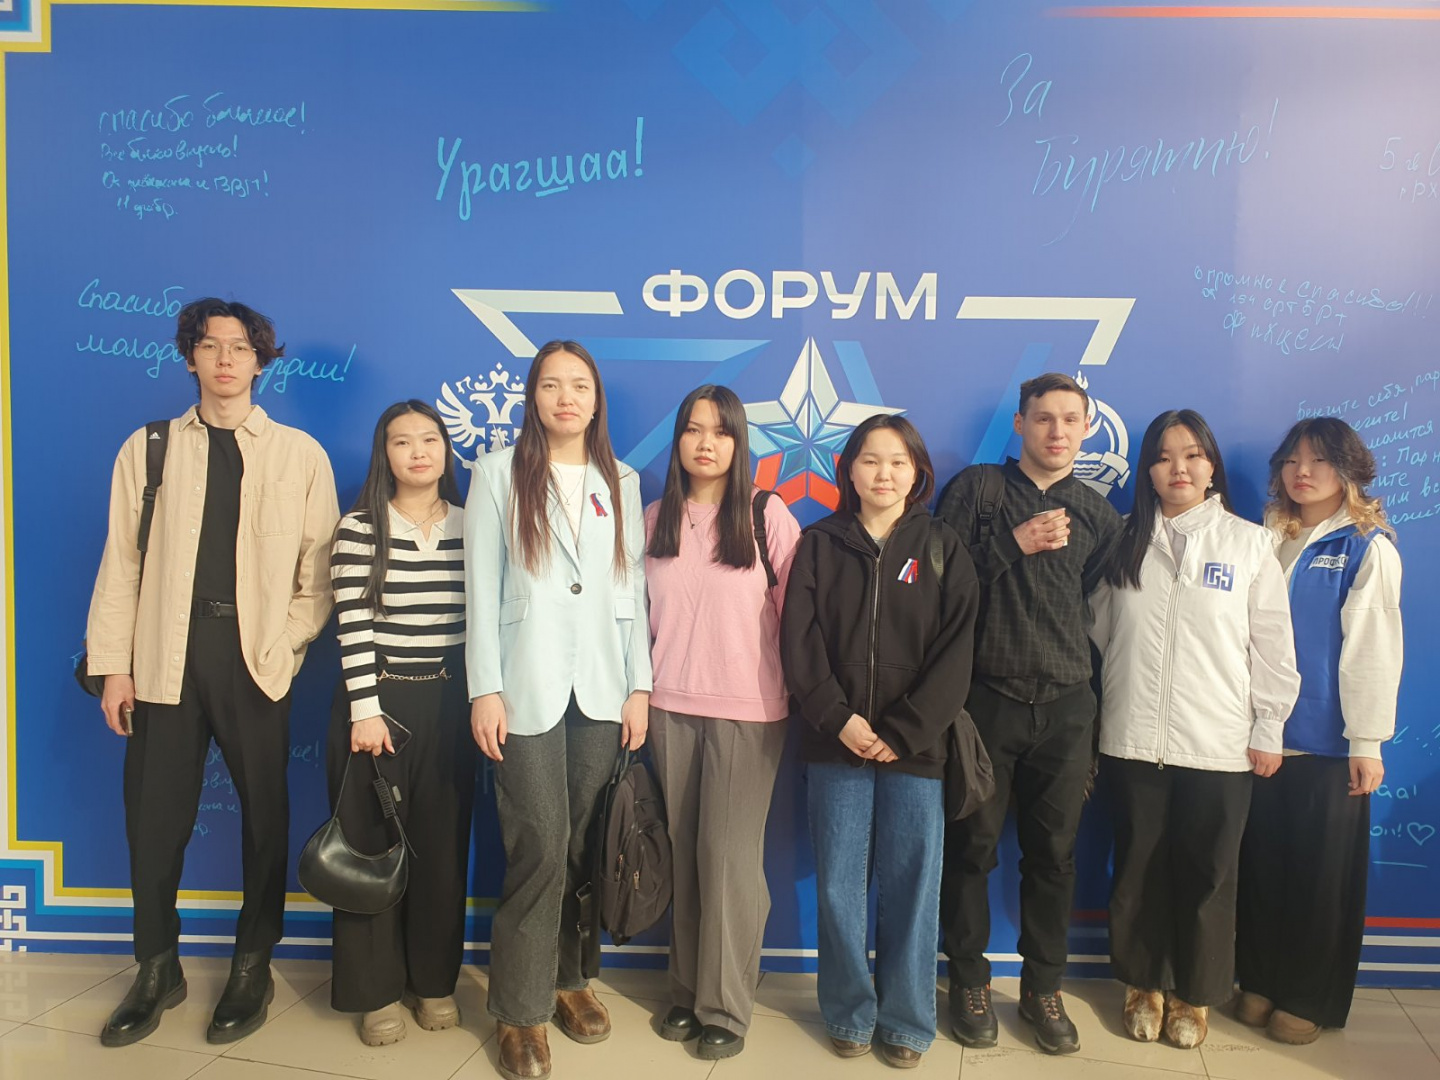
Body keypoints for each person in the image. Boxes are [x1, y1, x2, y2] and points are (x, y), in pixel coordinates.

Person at [86, 298, 339, 1047]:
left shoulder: (300, 454)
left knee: (266, 818)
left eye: (240, 347)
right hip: (163, 656)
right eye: (210, 345)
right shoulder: (149, 448)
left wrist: (283, 646)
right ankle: (156, 967)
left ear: (261, 362)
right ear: (189, 357)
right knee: (153, 819)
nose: (225, 359)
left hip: (254, 659)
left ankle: (253, 963)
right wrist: (113, 667)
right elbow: (121, 563)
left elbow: (319, 574)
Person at [464, 340, 652, 1080]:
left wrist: (639, 686)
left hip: (603, 686)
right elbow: (481, 586)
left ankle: (571, 979)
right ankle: (519, 1011)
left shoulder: (622, 479)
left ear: (596, 399)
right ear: (533, 397)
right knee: (539, 844)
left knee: (583, 846)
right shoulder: (496, 473)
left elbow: (630, 590)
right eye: (551, 385)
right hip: (524, 685)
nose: (566, 398)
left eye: (579, 385)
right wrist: (484, 687)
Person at [1088, 409, 1300, 1049]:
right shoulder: (1122, 540)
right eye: (1163, 457)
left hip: (1219, 743)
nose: (1178, 468)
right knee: (1138, 870)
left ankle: (1194, 995)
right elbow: (1099, 634)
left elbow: (1273, 648)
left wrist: (1268, 726)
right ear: (1147, 471)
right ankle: (1142, 985)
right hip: (1133, 738)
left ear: (1211, 467)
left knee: (1209, 876)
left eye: (1192, 455)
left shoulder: (1248, 544)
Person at [782, 414, 979, 1068]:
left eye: (898, 462)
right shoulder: (819, 543)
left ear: (917, 472)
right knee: (840, 888)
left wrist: (902, 731)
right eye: (870, 460)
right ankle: (848, 1011)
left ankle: (907, 1022)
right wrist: (837, 718)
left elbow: (957, 654)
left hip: (915, 751)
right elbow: (799, 642)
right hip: (835, 743)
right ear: (849, 470)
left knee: (912, 889)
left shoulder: (943, 546)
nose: (884, 474)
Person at [934, 372, 1121, 1055]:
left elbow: (1092, 606)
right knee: (971, 851)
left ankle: (1044, 988)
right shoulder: (978, 491)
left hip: (1068, 708)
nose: (1057, 431)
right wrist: (1013, 543)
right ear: (1020, 423)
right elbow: (940, 585)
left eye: (1071, 419)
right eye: (1044, 418)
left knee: (1054, 858)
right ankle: (968, 982)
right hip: (986, 702)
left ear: (1086, 427)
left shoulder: (1097, 514)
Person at [644, 385, 801, 1060]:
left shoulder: (768, 516)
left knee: (729, 858)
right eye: (693, 429)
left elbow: (799, 620)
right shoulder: (653, 518)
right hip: (667, 707)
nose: (706, 443)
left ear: (740, 442)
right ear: (677, 439)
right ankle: (686, 991)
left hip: (747, 711)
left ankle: (726, 1005)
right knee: (685, 852)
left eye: (721, 431)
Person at [1235, 417, 1403, 1045]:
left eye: (1319, 461)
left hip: (1328, 745)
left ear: (1349, 470)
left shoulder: (1366, 546)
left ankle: (1307, 995)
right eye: (1292, 461)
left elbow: (1372, 649)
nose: (1302, 472)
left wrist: (1367, 741)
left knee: (1318, 879)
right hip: (1259, 738)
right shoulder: (1264, 538)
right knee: (1261, 868)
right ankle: (1259, 979)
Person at [327, 400, 475, 1045]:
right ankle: (375, 991)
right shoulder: (360, 527)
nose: (418, 451)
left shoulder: (474, 524)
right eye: (401, 441)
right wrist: (365, 709)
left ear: (446, 449)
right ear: (383, 454)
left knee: (441, 850)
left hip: (450, 704)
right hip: (376, 703)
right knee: (371, 852)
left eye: (430, 439)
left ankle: (433, 981)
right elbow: (353, 621)